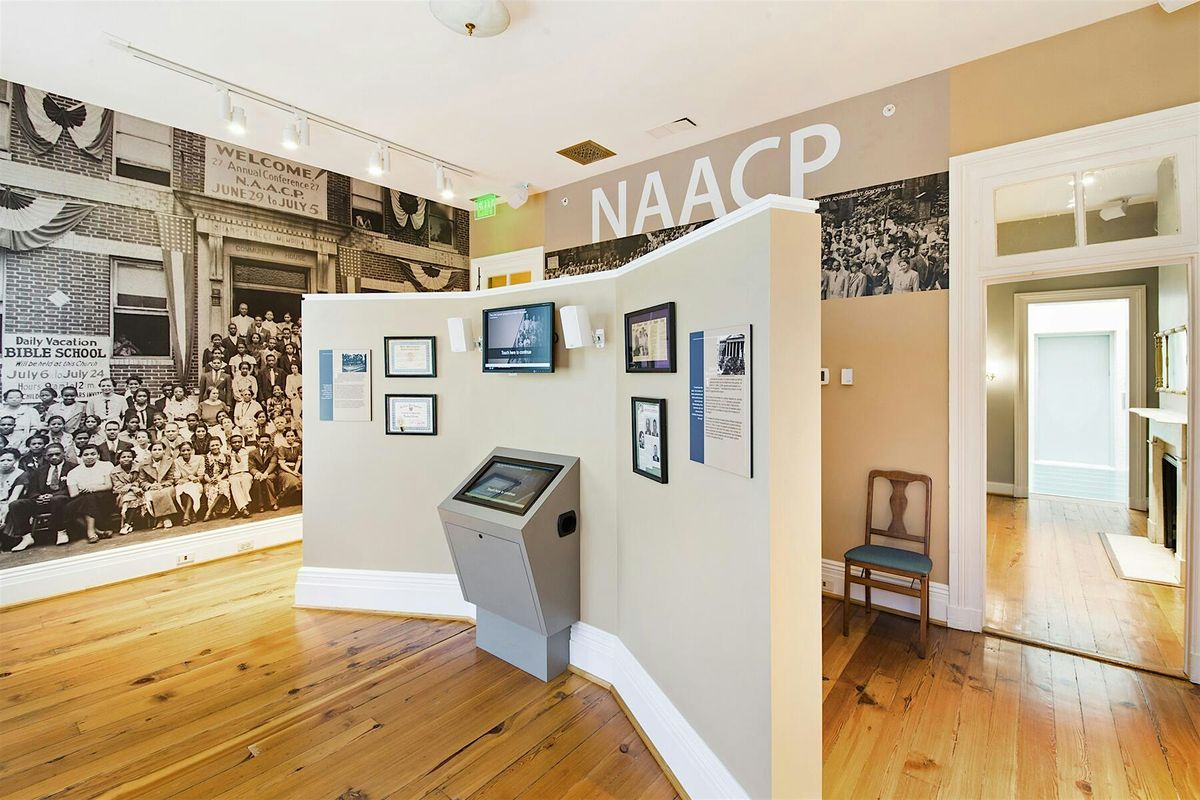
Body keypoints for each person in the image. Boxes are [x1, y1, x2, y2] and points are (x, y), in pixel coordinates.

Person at [8, 442, 76, 548]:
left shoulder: (73, 468)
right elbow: (32, 489)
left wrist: (52, 496)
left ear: (64, 453)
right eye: (50, 455)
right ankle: (26, 537)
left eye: (57, 454)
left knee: (57, 499)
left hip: (63, 501)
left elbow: (72, 488)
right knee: (16, 504)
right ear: (45, 456)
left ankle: (61, 531)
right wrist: (37, 497)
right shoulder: (39, 470)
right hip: (42, 500)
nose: (54, 457)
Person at [66, 444, 115, 543]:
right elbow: (73, 494)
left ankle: (91, 532)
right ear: (81, 457)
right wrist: (83, 490)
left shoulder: (106, 465)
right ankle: (98, 531)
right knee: (70, 507)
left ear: (98, 455)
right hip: (82, 498)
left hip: (103, 496)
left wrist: (92, 488)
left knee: (89, 499)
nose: (89, 457)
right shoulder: (73, 472)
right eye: (86, 455)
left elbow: (108, 485)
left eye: (93, 454)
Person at [139, 441, 178, 529]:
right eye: (154, 450)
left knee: (164, 492)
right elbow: (142, 481)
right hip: (151, 486)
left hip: (166, 485)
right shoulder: (143, 464)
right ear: (150, 451)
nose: (157, 452)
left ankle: (164, 518)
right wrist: (150, 486)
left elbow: (171, 478)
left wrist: (163, 485)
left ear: (164, 451)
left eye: (159, 449)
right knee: (153, 494)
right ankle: (163, 519)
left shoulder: (170, 461)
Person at [0, 448, 31, 551]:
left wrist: (3, 514)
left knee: (10, 508)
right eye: (2, 460)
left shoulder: (21, 474)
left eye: (9, 460)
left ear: (16, 460)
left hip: (10, 503)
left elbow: (14, 496)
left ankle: (14, 537)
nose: (5, 463)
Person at [110, 448, 143, 535]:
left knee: (132, 497)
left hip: (139, 492)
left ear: (133, 458)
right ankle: (128, 523)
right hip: (122, 495)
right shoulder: (114, 472)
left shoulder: (138, 467)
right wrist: (131, 487)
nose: (126, 459)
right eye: (123, 457)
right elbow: (118, 487)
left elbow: (141, 480)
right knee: (130, 496)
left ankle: (127, 524)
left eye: (129, 457)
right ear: (119, 459)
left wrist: (134, 486)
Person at [173, 440, 205, 526]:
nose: (186, 452)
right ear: (180, 452)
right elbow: (177, 479)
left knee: (191, 488)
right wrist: (189, 478)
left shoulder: (199, 459)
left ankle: (186, 515)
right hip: (183, 483)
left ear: (192, 450)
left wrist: (195, 479)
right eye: (183, 451)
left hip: (195, 483)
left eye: (188, 450)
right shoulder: (177, 462)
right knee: (181, 489)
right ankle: (192, 514)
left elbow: (201, 476)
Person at [201, 437, 231, 521]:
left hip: (222, 478)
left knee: (223, 486)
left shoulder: (225, 456)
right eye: (212, 445)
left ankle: (209, 511)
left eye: (217, 445)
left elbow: (225, 470)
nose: (215, 447)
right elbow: (205, 472)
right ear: (209, 447)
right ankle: (213, 511)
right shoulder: (206, 458)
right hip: (210, 479)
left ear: (221, 445)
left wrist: (219, 478)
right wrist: (209, 480)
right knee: (211, 488)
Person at [248, 433, 278, 513]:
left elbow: (273, 463)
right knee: (256, 481)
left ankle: (273, 503)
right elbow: (251, 467)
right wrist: (257, 473)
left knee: (267, 479)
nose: (264, 444)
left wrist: (266, 473)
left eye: (266, 442)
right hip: (259, 473)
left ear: (270, 442)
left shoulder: (274, 450)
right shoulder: (252, 453)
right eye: (262, 442)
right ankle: (260, 505)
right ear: (258, 442)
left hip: (271, 472)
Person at [226, 434, 253, 518]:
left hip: (245, 473)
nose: (237, 444)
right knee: (234, 482)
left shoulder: (247, 451)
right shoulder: (227, 453)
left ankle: (241, 508)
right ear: (230, 443)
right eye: (234, 442)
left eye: (239, 442)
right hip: (233, 475)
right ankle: (244, 508)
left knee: (246, 480)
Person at [275, 428, 302, 502]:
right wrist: (292, 472)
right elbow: (282, 465)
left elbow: (298, 460)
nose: (290, 438)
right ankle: (279, 498)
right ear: (285, 437)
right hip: (284, 470)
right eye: (288, 436)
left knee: (303, 481)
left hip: (295, 469)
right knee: (294, 483)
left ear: (295, 436)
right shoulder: (282, 448)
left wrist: (296, 470)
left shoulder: (298, 446)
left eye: (292, 436)